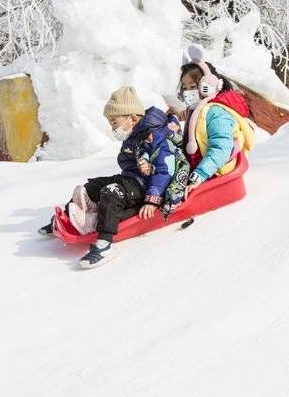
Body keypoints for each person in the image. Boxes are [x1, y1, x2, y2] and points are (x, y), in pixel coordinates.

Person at [39, 86, 187, 269]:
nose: (112, 128)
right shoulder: (134, 134)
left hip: (147, 186)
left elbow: (165, 169)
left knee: (111, 193)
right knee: (91, 186)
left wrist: (152, 199)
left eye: (114, 122)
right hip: (132, 179)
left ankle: (103, 245)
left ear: (132, 118)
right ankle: (69, 218)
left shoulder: (154, 137)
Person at [178, 47, 255, 199]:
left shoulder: (216, 112)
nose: (188, 92)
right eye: (184, 88)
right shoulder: (196, 110)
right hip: (202, 167)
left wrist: (198, 175)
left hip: (215, 171)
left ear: (206, 86)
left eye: (193, 87)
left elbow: (221, 148)